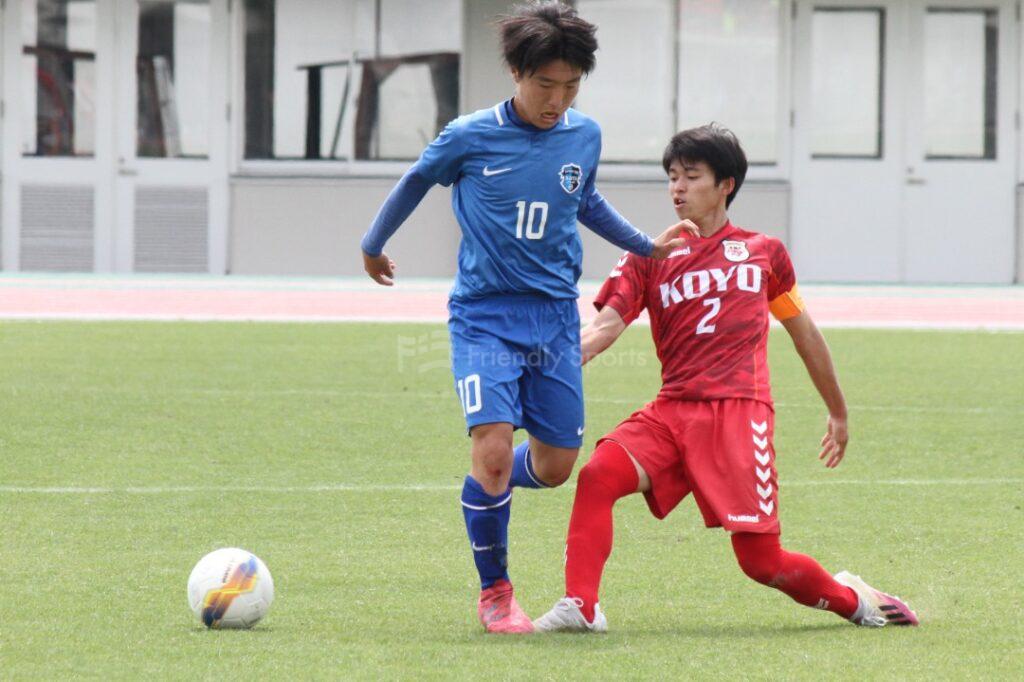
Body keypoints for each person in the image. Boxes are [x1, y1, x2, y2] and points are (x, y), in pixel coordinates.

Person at [360, 1, 694, 634]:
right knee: (491, 448)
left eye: (571, 86)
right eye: (545, 84)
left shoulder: (583, 135)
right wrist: (373, 244)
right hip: (484, 316)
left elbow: (584, 199)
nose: (557, 100)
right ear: (515, 72)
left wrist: (645, 246)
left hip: (554, 320)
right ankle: (495, 590)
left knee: (556, 466)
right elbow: (416, 179)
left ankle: (487, 484)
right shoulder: (469, 135)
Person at [534, 123, 919, 632]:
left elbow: (804, 334)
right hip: (672, 410)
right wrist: (550, 363)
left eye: (691, 176)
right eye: (672, 176)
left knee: (761, 562)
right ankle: (581, 607)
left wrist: (838, 410)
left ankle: (856, 602)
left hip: (738, 413)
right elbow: (604, 327)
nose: (677, 188)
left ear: (726, 185)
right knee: (598, 474)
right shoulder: (647, 256)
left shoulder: (764, 252)